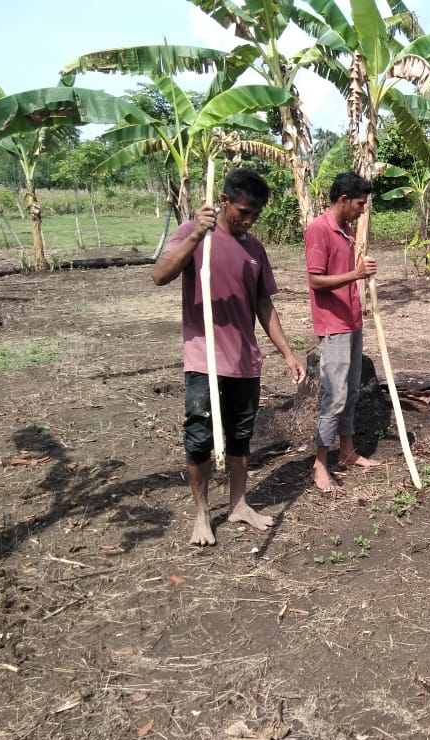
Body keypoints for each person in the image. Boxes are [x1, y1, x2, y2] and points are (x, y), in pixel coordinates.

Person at [153, 168, 306, 546]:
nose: (248, 220)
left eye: (255, 215)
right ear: (223, 201)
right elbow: (160, 275)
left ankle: (239, 503)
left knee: (241, 437)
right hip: (204, 358)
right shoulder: (193, 232)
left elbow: (262, 303)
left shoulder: (254, 249)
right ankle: (202, 514)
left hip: (245, 361)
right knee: (200, 437)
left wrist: (287, 352)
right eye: (242, 212)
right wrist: (195, 236)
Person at [304, 171, 382, 494]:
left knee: (351, 391)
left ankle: (346, 451)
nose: (363, 210)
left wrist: (358, 296)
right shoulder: (319, 230)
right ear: (344, 200)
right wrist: (356, 274)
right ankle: (320, 464)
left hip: (351, 322)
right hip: (333, 327)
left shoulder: (346, 231)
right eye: (360, 204)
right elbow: (315, 280)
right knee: (334, 395)